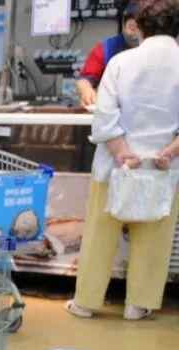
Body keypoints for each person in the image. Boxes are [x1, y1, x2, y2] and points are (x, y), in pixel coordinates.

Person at [66, 0, 179, 320]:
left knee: (101, 235)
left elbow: (104, 117)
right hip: (163, 168)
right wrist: (169, 152)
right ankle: (138, 305)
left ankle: (86, 303)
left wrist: (121, 152)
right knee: (153, 238)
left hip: (115, 167)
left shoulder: (120, 62)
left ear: (139, 27)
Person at [75, 1, 143, 110]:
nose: (133, 22)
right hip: (113, 111)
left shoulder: (159, 49)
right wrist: (86, 90)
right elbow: (84, 80)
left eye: (138, 19)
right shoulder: (105, 48)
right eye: (129, 18)